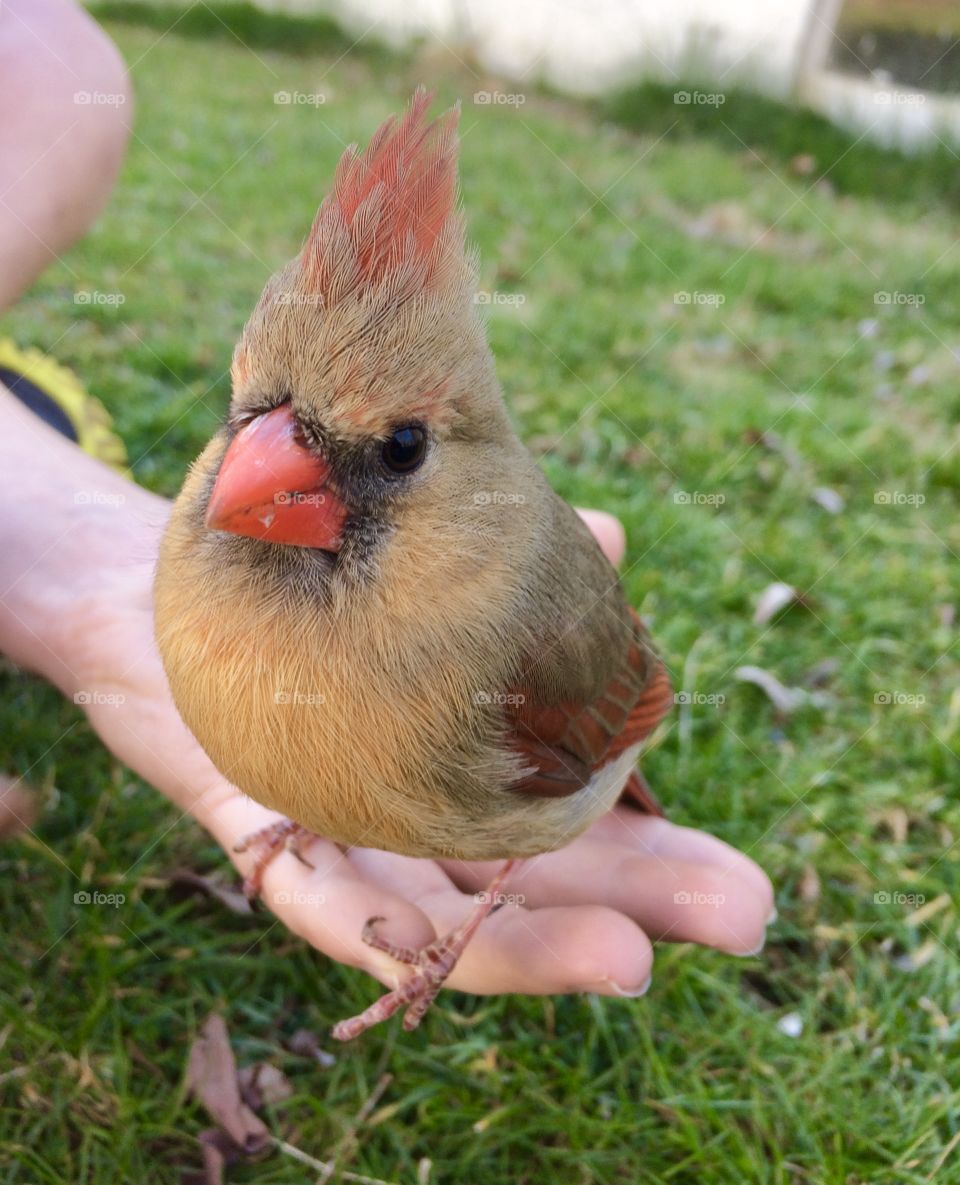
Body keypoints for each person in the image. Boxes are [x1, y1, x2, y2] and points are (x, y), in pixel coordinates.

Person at [0, 0, 773, 1004]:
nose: (260, 473)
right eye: (249, 423)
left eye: (397, 448)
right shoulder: (214, 527)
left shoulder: (524, 665)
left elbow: (632, 705)